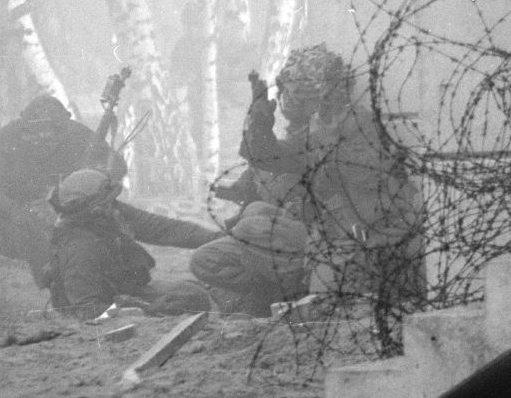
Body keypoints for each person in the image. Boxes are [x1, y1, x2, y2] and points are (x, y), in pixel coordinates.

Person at [192, 44, 425, 318]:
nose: (285, 98)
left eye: (292, 91)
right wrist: (260, 122)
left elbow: (360, 192)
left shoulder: (356, 125)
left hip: (354, 241)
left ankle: (293, 293)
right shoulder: (320, 125)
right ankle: (271, 295)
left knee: (251, 228)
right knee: (219, 247)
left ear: (319, 93)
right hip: (323, 232)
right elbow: (271, 159)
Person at [0, 94, 127, 282]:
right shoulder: (8, 138)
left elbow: (116, 167)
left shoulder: (78, 135)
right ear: (26, 128)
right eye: (38, 130)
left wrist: (82, 189)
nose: (46, 135)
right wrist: (13, 210)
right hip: (16, 217)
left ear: (64, 127)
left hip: (65, 214)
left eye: (53, 130)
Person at [45, 168, 224, 320]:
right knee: (193, 298)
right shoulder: (79, 246)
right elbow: (85, 310)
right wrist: (141, 308)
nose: (114, 205)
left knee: (194, 290)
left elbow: (164, 229)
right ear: (94, 208)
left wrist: (219, 239)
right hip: (108, 305)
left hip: (124, 293)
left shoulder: (107, 216)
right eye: (107, 201)